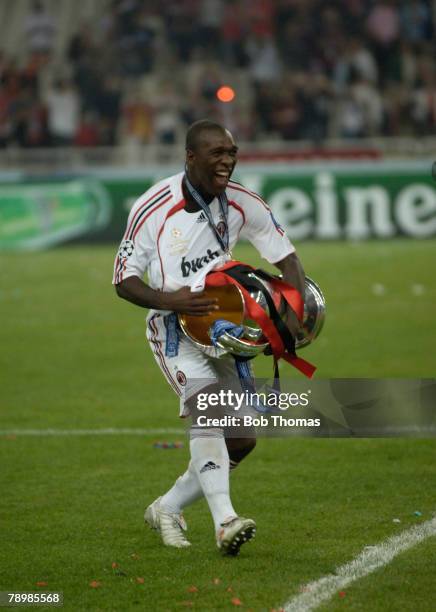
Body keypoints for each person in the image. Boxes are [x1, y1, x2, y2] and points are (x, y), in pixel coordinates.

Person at [113, 119, 305, 555]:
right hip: (172, 330)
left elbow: (287, 259)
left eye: (232, 153)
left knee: (241, 440)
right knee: (207, 412)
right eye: (217, 154)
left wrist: (293, 314)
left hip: (223, 331)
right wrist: (172, 300)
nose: (227, 162)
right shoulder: (153, 207)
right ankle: (225, 522)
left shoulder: (242, 202)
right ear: (191, 157)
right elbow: (123, 280)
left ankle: (167, 507)